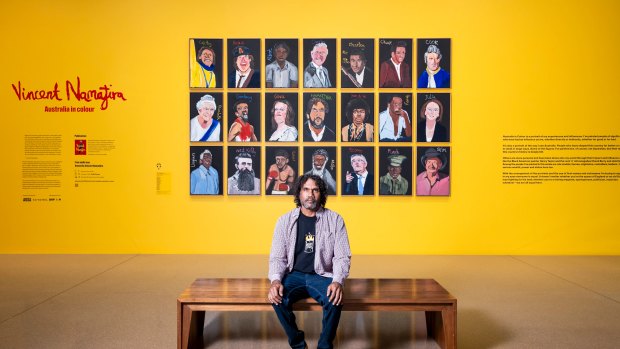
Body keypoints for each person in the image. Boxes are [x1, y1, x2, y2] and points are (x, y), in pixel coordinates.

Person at [268, 174, 351, 349]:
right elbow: (277, 257)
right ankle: (298, 344)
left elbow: (342, 256)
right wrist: (275, 281)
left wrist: (337, 281)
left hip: (320, 275)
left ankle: (324, 345)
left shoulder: (335, 220)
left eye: (315, 190)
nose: (310, 194)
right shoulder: (284, 221)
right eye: (305, 189)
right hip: (293, 275)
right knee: (276, 298)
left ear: (321, 194)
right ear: (299, 193)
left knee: (334, 299)